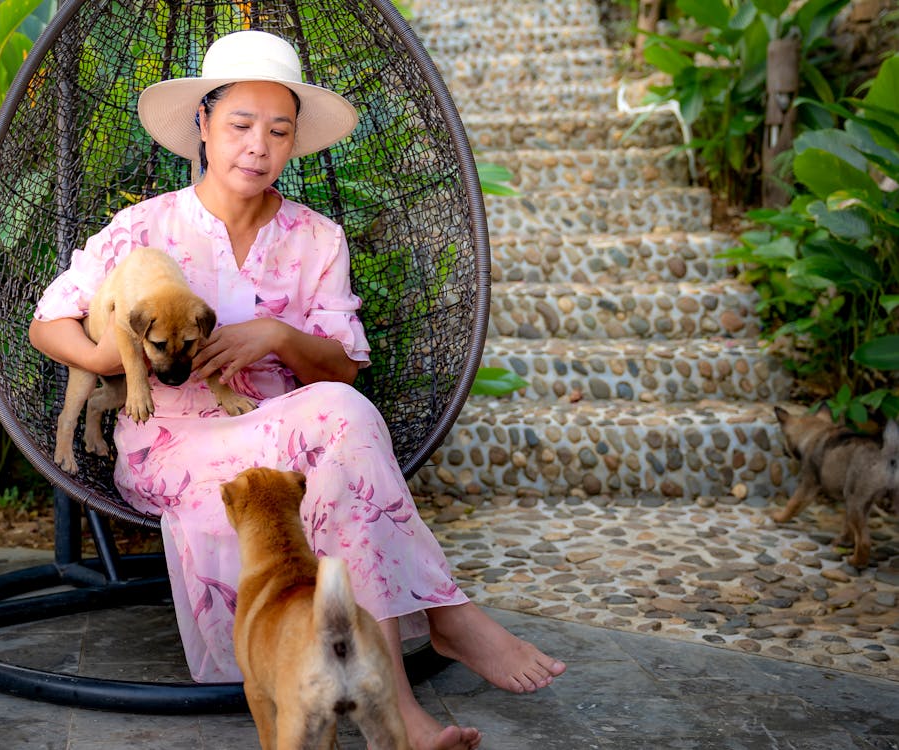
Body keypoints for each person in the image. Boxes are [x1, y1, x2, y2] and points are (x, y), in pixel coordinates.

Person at [29, 29, 565, 750]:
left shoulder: (318, 238)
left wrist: (274, 337)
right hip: (170, 440)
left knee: (340, 439)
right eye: (239, 126)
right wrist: (109, 354)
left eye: (277, 131)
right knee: (339, 426)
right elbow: (46, 322)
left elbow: (343, 370)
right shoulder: (145, 228)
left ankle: (404, 697)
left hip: (289, 425)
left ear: (294, 142)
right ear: (203, 127)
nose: (258, 146)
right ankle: (438, 633)